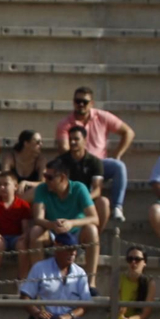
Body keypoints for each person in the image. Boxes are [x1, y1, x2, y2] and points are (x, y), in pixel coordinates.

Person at [54, 86, 133, 222]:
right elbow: (64, 149)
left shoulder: (102, 116)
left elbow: (128, 132)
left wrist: (117, 154)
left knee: (118, 166)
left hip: (99, 162)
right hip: (77, 163)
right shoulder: (65, 124)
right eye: (78, 101)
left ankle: (118, 207)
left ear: (92, 103)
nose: (81, 105)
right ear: (73, 102)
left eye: (85, 102)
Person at [28, 158, 100, 276]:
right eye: (45, 176)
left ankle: (91, 282)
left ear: (62, 177)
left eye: (50, 177)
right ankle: (39, 280)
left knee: (92, 230)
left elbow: (94, 218)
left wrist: (71, 223)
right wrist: (53, 225)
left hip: (76, 233)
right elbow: (38, 218)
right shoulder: (42, 189)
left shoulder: (79, 188)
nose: (46, 180)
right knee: (35, 231)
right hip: (52, 233)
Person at [21, 233, 90, 319]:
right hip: (46, 315)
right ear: (57, 248)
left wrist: (69, 316)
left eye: (75, 250)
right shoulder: (40, 267)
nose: (73, 253)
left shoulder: (80, 273)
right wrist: (37, 312)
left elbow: (86, 304)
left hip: (68, 316)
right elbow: (25, 297)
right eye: (69, 249)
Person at [55, 125, 111, 232]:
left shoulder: (95, 162)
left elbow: (97, 190)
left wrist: (83, 198)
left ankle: (94, 237)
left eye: (76, 139)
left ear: (85, 140)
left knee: (103, 202)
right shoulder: (61, 161)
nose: (72, 142)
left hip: (87, 200)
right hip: (66, 199)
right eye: (70, 139)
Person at [0, 170, 33, 285]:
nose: (2, 187)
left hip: (16, 237)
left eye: (6, 184)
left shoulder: (23, 204)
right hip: (0, 235)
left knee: (23, 245)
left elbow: (25, 225)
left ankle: (21, 280)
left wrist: (24, 235)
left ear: (15, 187)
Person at [112, 246, 154, 319]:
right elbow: (114, 306)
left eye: (137, 259)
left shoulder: (149, 283)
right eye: (130, 259)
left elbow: (145, 314)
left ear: (144, 262)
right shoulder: (119, 279)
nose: (133, 262)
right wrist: (121, 314)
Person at [1, 129, 46, 199]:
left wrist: (26, 183)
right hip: (13, 192)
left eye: (41, 142)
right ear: (26, 143)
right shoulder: (10, 158)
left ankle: (18, 204)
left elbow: (44, 183)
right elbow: (4, 179)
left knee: (39, 191)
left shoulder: (40, 160)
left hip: (31, 195)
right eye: (37, 142)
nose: (41, 145)